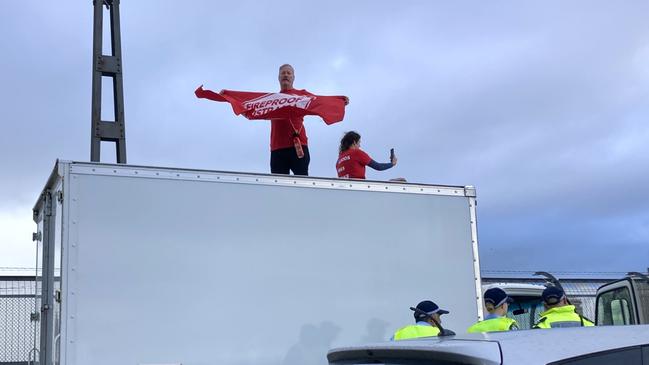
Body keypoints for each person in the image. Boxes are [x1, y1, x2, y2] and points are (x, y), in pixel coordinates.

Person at [271, 64, 349, 176]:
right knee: (278, 184)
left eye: (289, 73)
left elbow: (319, 102)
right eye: (283, 73)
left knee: (302, 181)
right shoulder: (270, 100)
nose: (286, 75)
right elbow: (252, 108)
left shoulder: (302, 95)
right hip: (277, 148)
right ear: (278, 77)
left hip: (298, 146)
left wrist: (337, 101)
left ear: (293, 77)